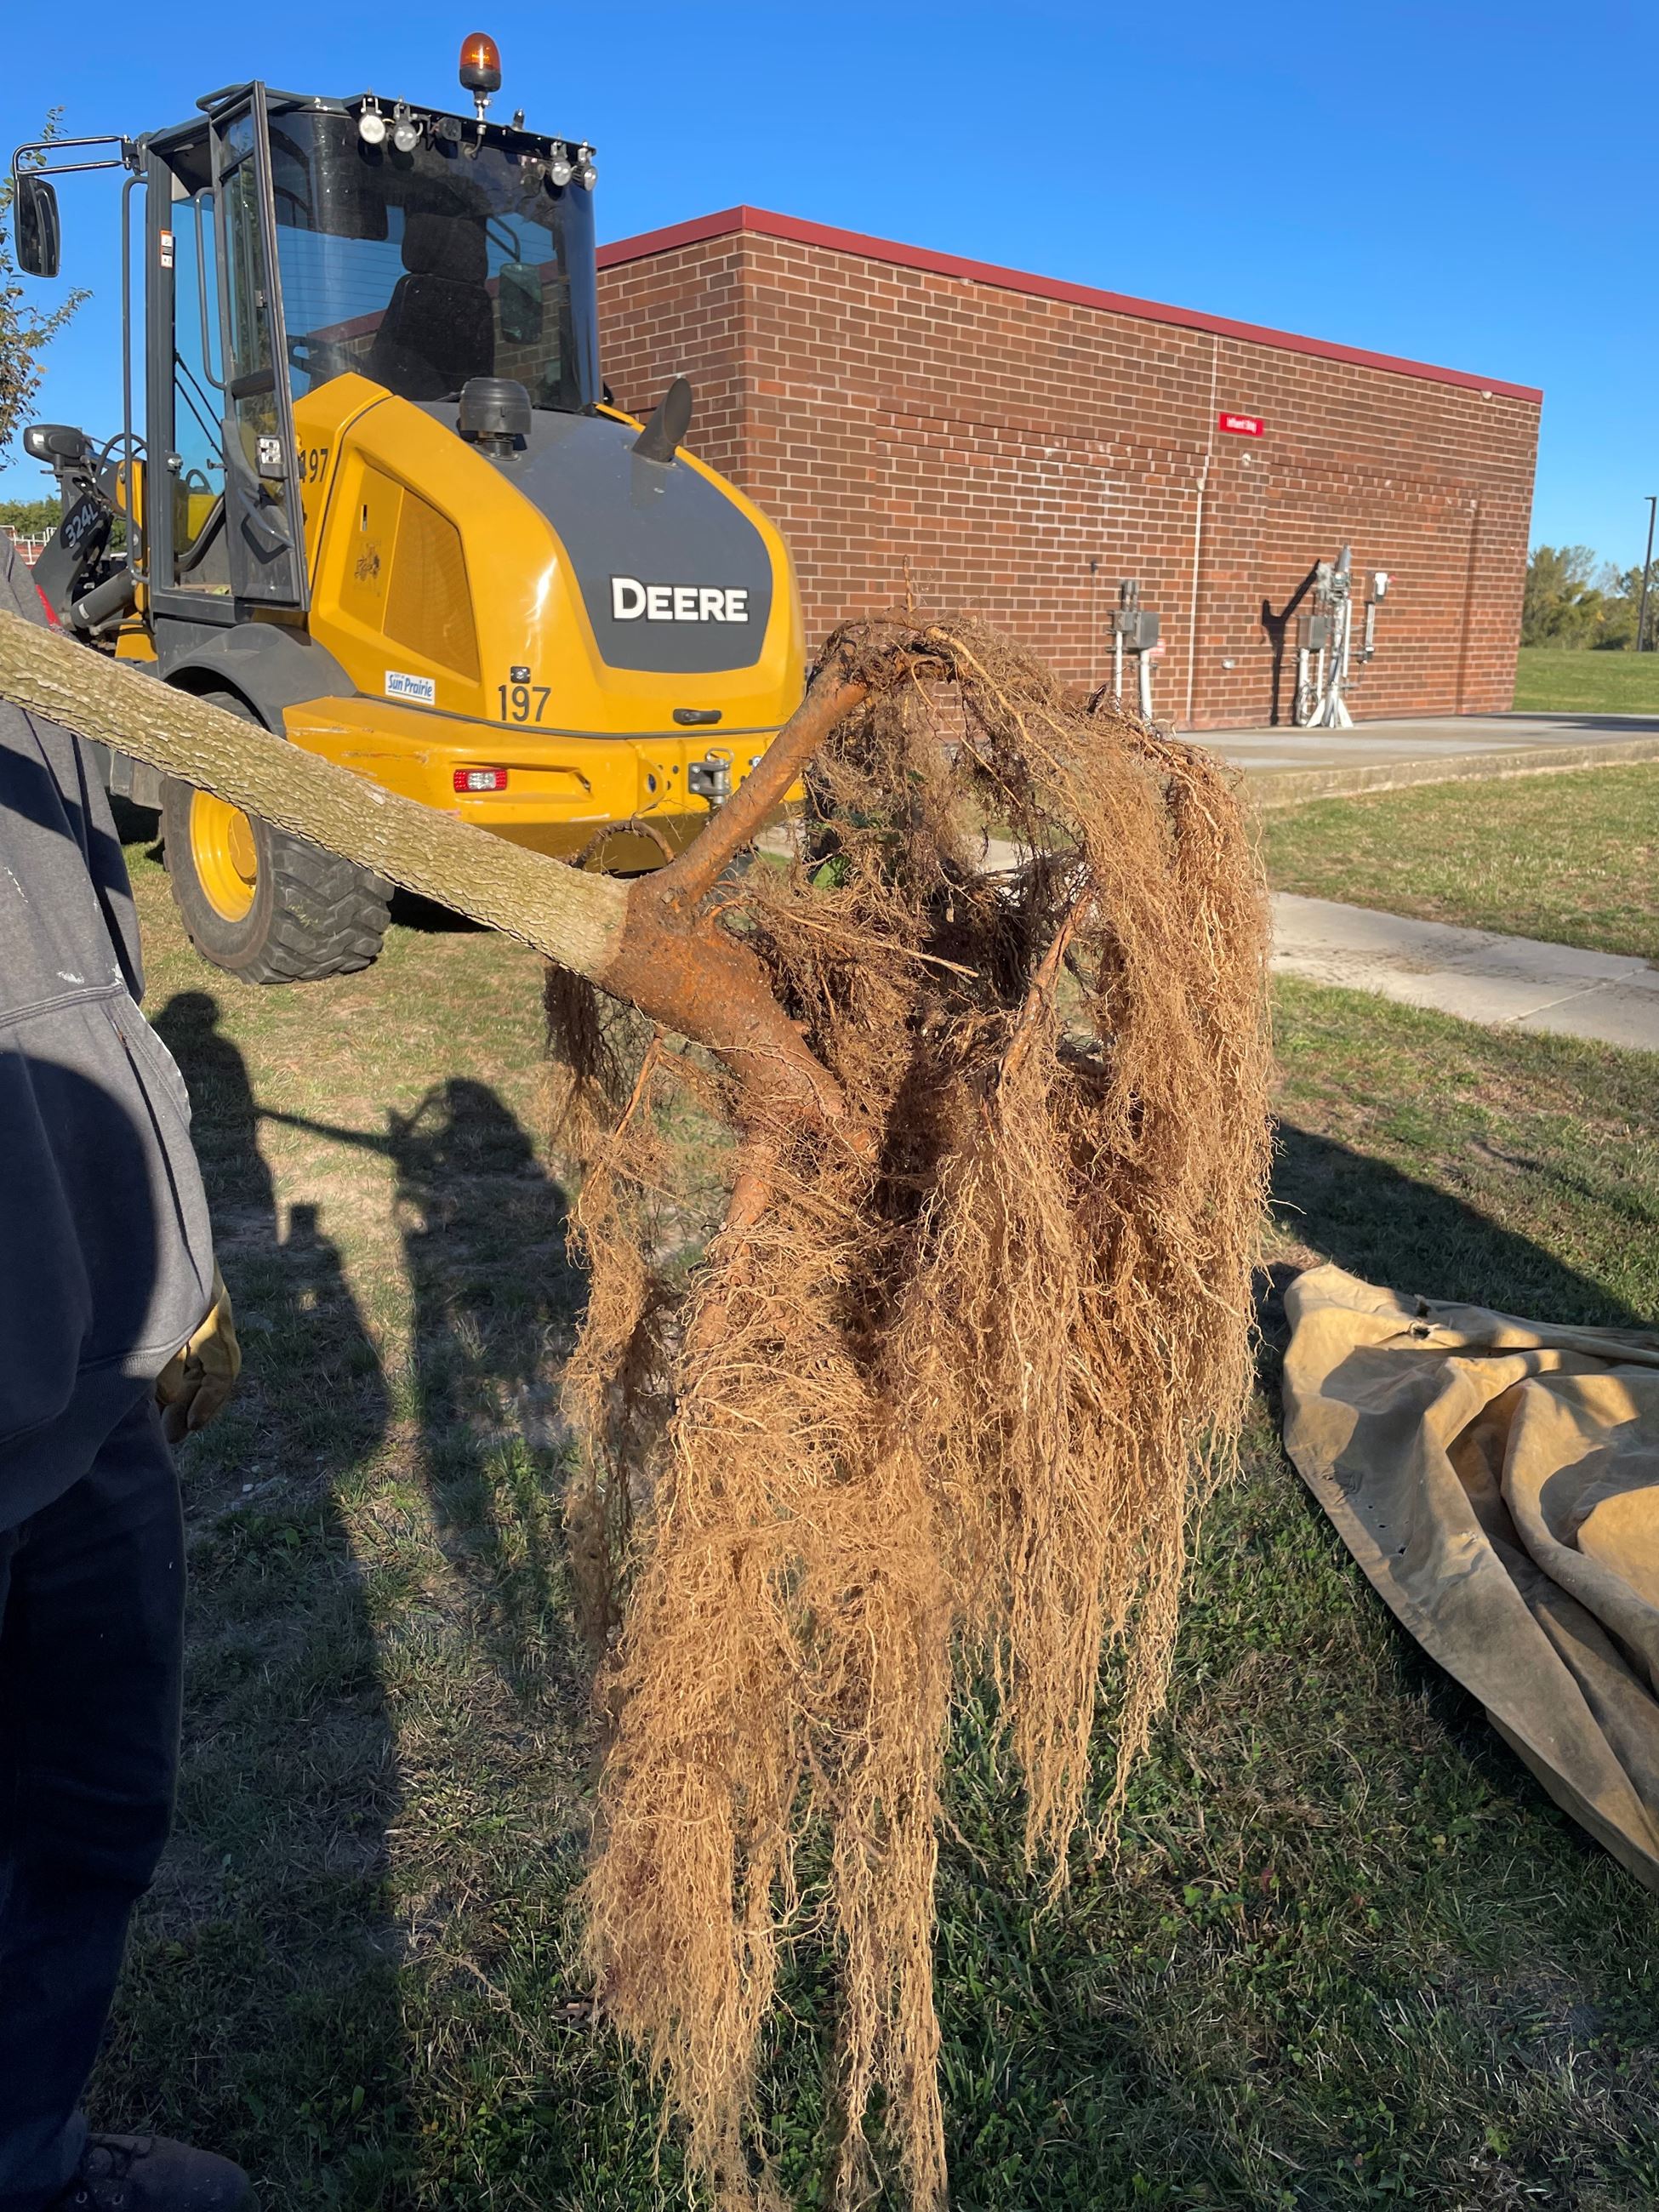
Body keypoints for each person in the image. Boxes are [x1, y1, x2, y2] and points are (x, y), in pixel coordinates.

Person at [0, 538, 249, 2212]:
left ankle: (29, 2154)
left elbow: (86, 946)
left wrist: (175, 1266)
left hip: (92, 1348)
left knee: (90, 1810)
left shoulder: (21, 611)